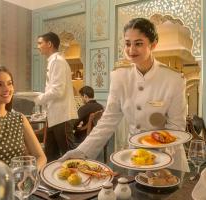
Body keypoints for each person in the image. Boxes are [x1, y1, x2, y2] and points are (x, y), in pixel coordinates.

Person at [61, 18, 189, 172]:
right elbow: (107, 120)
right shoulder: (119, 76)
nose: (131, 49)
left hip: (169, 160)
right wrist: (82, 151)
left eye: (138, 43)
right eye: (128, 43)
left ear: (153, 44)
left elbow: (176, 127)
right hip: (135, 158)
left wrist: (160, 160)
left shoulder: (173, 79)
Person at [0, 64, 47, 169]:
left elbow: (41, 157)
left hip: (19, 182)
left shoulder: (19, 119)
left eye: (9, 84)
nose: (7, 89)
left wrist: (28, 175)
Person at [36, 32, 78, 162]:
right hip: (54, 115)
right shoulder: (53, 61)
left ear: (49, 44)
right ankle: (51, 180)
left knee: (69, 156)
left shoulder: (57, 61)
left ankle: (76, 180)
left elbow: (58, 90)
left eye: (40, 43)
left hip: (62, 116)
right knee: (50, 155)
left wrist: (40, 98)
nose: (38, 46)